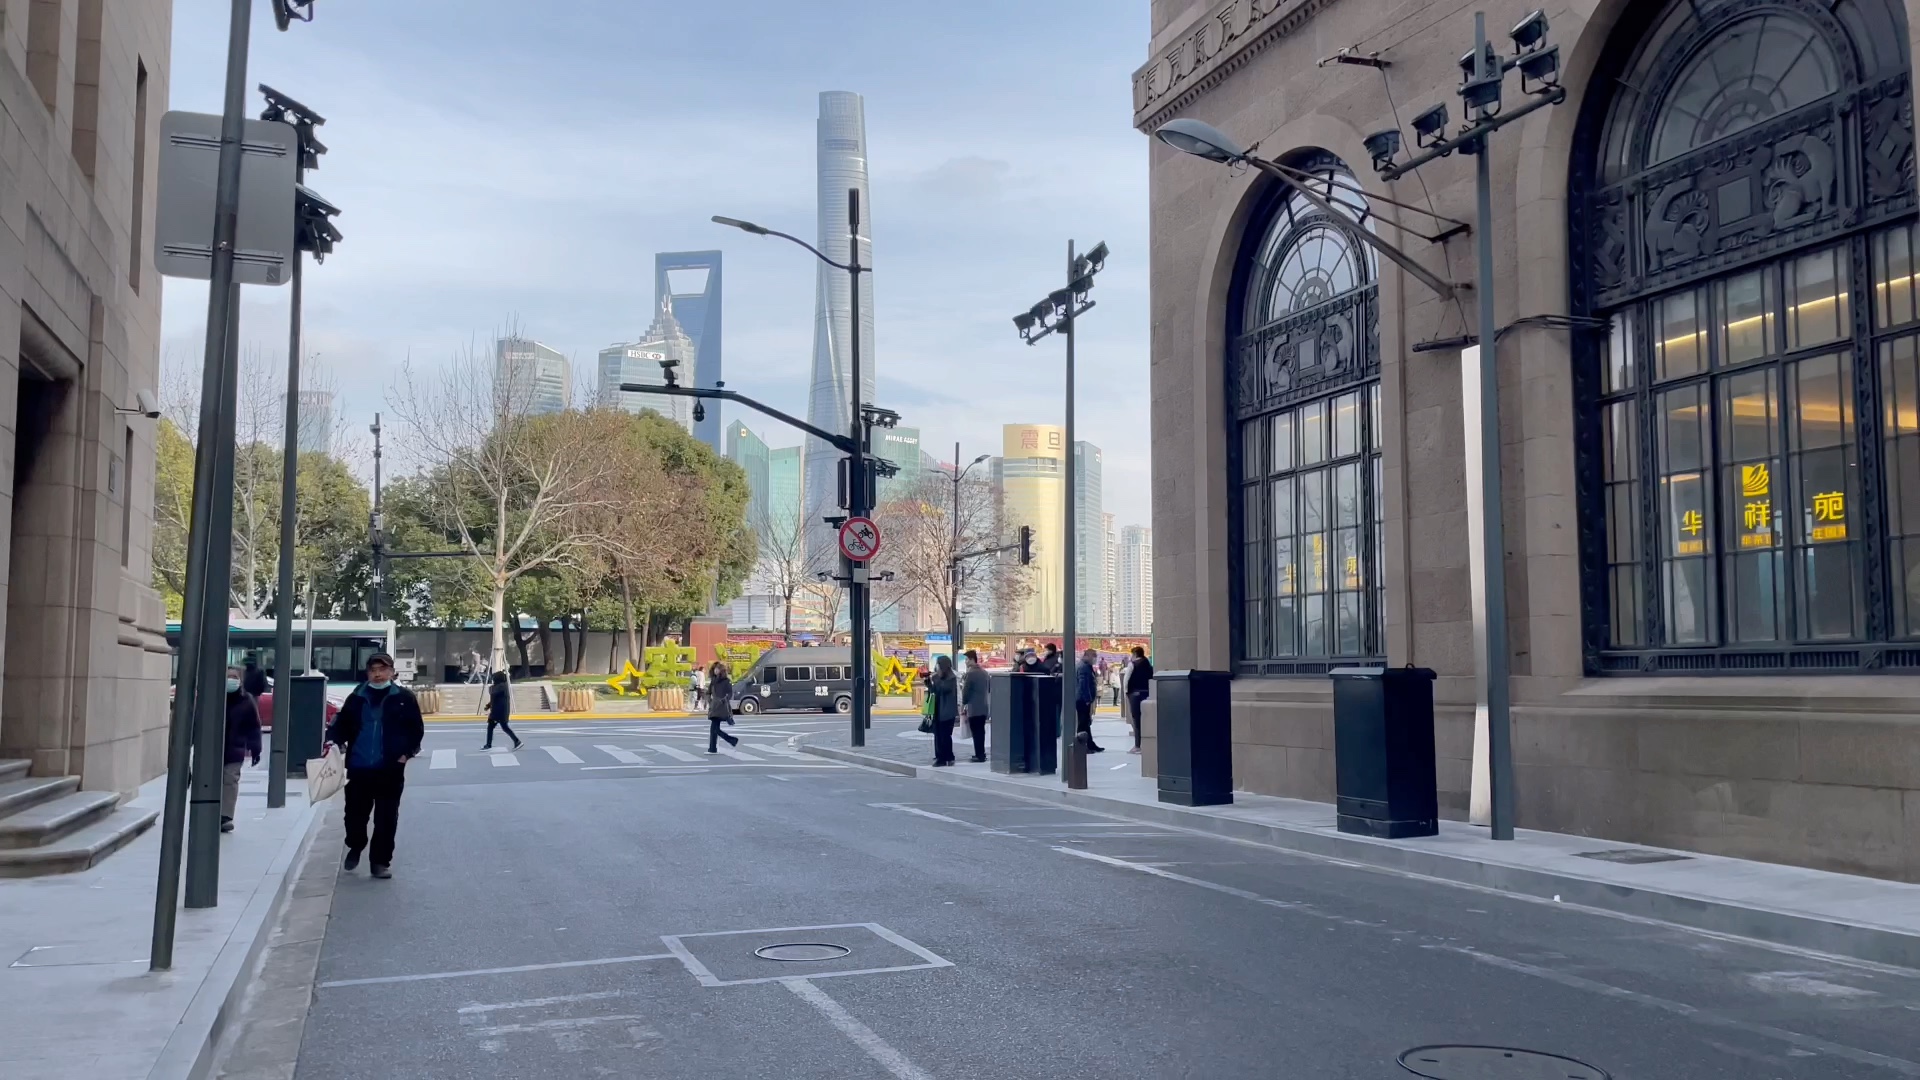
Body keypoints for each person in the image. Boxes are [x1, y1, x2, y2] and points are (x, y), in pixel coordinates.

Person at [327, 653, 425, 880]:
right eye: (373, 670)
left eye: (383, 669)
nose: (378, 674)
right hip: (359, 767)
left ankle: (380, 862)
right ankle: (355, 845)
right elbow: (341, 724)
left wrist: (406, 754)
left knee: (386, 818)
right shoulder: (357, 697)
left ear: (392, 671)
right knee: (354, 816)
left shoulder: (403, 698)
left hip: (389, 769)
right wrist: (333, 740)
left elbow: (416, 730)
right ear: (368, 673)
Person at [222, 666, 261, 834]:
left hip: (235, 749)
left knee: (230, 780)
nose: (231, 680)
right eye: (228, 676)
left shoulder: (246, 700)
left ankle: (225, 816)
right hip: (212, 750)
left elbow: (254, 727)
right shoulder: (214, 697)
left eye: (234, 677)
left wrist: (255, 750)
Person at [925, 654, 960, 766]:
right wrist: (929, 684)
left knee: (945, 736)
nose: (937, 668)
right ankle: (942, 756)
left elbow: (943, 689)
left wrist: (935, 678)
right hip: (938, 711)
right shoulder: (940, 678)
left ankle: (946, 757)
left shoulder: (951, 678)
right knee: (938, 735)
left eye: (938, 665)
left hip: (947, 713)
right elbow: (935, 691)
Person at [960, 649, 990, 763]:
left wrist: (963, 705)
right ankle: (981, 754)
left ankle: (979, 755)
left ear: (972, 660)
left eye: (967, 659)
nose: (966, 662)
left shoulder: (970, 673)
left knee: (976, 732)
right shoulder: (985, 673)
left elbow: (966, 691)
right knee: (980, 732)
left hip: (974, 707)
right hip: (984, 707)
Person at [1075, 647, 1106, 753]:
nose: (1095, 659)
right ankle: (1082, 745)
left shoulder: (1086, 666)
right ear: (1087, 656)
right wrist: (1088, 699)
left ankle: (1090, 744)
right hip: (1083, 700)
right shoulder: (1084, 667)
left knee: (1086, 723)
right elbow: (1083, 685)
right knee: (1083, 723)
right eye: (1094, 656)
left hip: (1083, 699)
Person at [482, 670, 521, 751]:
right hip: (499, 711)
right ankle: (517, 741)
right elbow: (494, 699)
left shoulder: (501, 686)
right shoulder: (501, 686)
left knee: (492, 727)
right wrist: (488, 706)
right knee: (503, 727)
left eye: (494, 678)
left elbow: (492, 692)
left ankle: (488, 745)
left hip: (499, 712)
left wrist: (491, 688)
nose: (493, 680)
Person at [1125, 645, 1153, 754]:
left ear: (1135, 654)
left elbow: (1126, 681)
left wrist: (1126, 693)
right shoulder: (1148, 665)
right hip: (1146, 693)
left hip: (1134, 694)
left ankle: (1137, 745)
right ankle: (1147, 744)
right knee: (1146, 719)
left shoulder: (1133, 665)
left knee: (1137, 720)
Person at [706, 661, 738, 753]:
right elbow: (708, 692)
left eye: (718, 668)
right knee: (714, 729)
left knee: (714, 729)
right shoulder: (713, 680)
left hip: (722, 707)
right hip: (714, 706)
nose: (715, 670)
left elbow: (730, 693)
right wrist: (710, 700)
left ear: (721, 670)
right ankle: (713, 748)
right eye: (715, 668)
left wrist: (724, 700)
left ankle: (728, 741)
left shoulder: (726, 681)